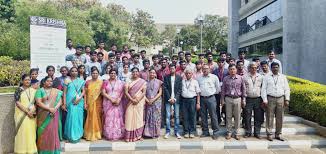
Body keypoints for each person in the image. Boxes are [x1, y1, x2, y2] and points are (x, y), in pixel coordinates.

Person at [261, 62, 290, 141]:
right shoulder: (266, 77)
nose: (275, 68)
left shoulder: (283, 77)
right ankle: (269, 134)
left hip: (281, 98)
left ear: (279, 68)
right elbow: (263, 89)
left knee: (280, 117)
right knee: (269, 117)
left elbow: (287, 88)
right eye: (274, 67)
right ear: (271, 68)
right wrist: (265, 100)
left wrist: (287, 99)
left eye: (277, 67)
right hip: (270, 98)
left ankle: (278, 134)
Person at [35, 76, 63, 154]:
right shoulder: (39, 91)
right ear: (44, 82)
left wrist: (54, 109)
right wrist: (49, 109)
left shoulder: (56, 91)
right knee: (43, 132)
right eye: (48, 81)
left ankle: (54, 150)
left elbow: (60, 101)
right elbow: (38, 102)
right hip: (43, 115)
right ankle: (43, 151)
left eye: (51, 81)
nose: (50, 82)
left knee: (52, 132)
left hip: (53, 114)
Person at [221, 64, 246, 140]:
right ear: (228, 70)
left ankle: (237, 133)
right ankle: (229, 132)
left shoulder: (240, 78)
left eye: (234, 69)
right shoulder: (225, 78)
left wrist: (243, 99)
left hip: (237, 99)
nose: (232, 71)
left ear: (236, 70)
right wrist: (222, 100)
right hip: (228, 98)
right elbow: (223, 90)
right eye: (231, 69)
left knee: (237, 117)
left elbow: (243, 89)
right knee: (228, 116)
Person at [14, 74, 37, 154]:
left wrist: (32, 111)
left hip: (32, 115)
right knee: (22, 132)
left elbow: (36, 102)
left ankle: (31, 151)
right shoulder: (18, 90)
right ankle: (21, 151)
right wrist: (28, 112)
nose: (28, 81)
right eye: (26, 80)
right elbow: (17, 103)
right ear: (22, 81)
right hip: (21, 115)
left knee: (31, 132)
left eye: (29, 80)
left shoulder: (34, 90)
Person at [63, 67, 86, 143]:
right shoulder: (67, 80)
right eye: (72, 71)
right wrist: (64, 103)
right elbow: (64, 93)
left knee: (79, 119)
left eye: (75, 71)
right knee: (71, 118)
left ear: (78, 72)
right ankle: (71, 136)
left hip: (79, 102)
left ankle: (78, 135)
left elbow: (83, 92)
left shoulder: (81, 81)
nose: (74, 72)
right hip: (70, 102)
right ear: (70, 72)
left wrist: (79, 99)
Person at [102, 69, 126, 140]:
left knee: (117, 118)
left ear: (116, 74)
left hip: (118, 102)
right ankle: (109, 134)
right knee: (109, 118)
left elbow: (122, 92)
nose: (113, 74)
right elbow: (103, 92)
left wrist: (119, 99)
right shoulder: (105, 82)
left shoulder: (120, 82)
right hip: (108, 102)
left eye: (114, 73)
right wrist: (111, 99)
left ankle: (118, 134)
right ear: (109, 74)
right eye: (111, 73)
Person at [197, 64, 220, 140]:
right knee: (203, 116)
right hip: (202, 99)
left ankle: (215, 132)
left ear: (209, 69)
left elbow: (218, 89)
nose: (205, 70)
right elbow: (198, 90)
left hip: (211, 98)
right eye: (203, 68)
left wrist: (211, 94)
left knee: (213, 115)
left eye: (206, 68)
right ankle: (205, 131)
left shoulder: (214, 77)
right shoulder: (199, 78)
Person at [124, 67, 147, 142]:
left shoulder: (142, 82)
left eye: (136, 71)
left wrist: (137, 100)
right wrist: (132, 99)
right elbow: (126, 92)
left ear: (138, 73)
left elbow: (144, 92)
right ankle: (128, 137)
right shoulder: (128, 81)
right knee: (129, 118)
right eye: (133, 72)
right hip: (130, 102)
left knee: (138, 119)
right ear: (131, 73)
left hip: (139, 103)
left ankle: (138, 136)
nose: (135, 73)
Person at [243, 62, 264, 139]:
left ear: (257, 68)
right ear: (249, 68)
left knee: (258, 117)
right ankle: (248, 132)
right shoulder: (245, 77)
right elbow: (243, 89)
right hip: (248, 99)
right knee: (247, 116)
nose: (254, 69)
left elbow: (263, 88)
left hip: (258, 99)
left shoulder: (261, 77)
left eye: (255, 67)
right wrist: (244, 100)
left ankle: (257, 132)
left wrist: (263, 100)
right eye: (252, 67)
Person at [163, 64, 183, 139]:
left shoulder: (179, 77)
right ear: (169, 69)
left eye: (173, 68)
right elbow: (165, 88)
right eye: (170, 68)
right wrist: (169, 98)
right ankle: (168, 132)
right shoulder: (166, 77)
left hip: (176, 100)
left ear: (175, 69)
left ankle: (176, 132)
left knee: (177, 116)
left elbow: (180, 89)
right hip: (168, 100)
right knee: (168, 116)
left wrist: (174, 98)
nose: (172, 70)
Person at [84, 68, 103, 141]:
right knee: (90, 117)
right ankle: (89, 133)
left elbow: (102, 94)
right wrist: (85, 103)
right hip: (89, 103)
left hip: (98, 102)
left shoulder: (101, 82)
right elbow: (85, 94)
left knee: (97, 118)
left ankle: (97, 134)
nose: (94, 74)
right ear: (91, 74)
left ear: (98, 74)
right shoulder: (88, 82)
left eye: (96, 73)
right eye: (93, 73)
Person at [181, 69, 201, 138]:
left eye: (189, 73)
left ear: (192, 74)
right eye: (187, 73)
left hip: (192, 100)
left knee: (193, 116)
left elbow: (198, 93)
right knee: (185, 116)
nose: (188, 74)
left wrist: (198, 103)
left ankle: (192, 131)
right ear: (185, 74)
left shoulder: (195, 82)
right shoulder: (182, 81)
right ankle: (186, 131)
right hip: (184, 100)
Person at [143, 69, 163, 138]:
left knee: (156, 117)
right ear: (149, 74)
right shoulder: (145, 82)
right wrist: (147, 100)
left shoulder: (159, 82)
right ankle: (148, 133)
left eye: (153, 73)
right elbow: (143, 93)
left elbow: (160, 92)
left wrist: (153, 99)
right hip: (147, 102)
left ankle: (156, 133)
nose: (152, 74)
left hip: (157, 102)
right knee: (148, 117)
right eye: (151, 73)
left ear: (155, 74)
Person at [213, 58, 229, 124]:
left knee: (225, 106)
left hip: (225, 91)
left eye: (222, 62)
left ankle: (226, 120)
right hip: (217, 91)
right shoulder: (214, 71)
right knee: (216, 106)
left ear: (224, 63)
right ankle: (218, 119)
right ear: (217, 63)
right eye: (219, 62)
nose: (220, 63)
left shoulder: (227, 71)